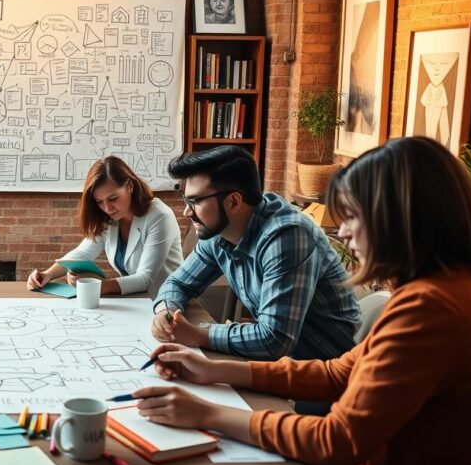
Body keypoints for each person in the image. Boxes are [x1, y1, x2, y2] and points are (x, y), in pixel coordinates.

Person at [130, 137, 471, 465]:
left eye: (352, 216)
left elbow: (337, 441)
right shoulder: (436, 292)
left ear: (398, 219)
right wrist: (214, 370)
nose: (343, 233)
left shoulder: (428, 308)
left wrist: (207, 414)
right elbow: (338, 373)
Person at [152, 146, 359, 361]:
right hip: (282, 365)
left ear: (234, 202)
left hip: (327, 369)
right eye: (186, 201)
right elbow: (178, 284)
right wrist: (166, 312)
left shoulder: (286, 236)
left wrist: (199, 334)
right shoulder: (219, 233)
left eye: (195, 202)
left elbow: (274, 340)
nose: (187, 212)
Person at [26, 156, 182, 296]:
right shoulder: (110, 217)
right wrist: (47, 274)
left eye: (113, 198)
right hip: (136, 299)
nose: (107, 208)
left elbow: (145, 278)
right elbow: (82, 253)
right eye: (99, 202)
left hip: (168, 301)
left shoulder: (160, 216)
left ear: (130, 186)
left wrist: (95, 285)